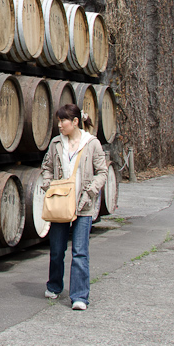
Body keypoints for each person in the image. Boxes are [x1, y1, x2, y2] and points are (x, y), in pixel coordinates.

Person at [39, 103, 107, 310]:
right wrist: (48, 184)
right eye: (59, 121)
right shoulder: (56, 143)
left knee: (80, 251)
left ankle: (79, 296)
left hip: (83, 204)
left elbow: (101, 172)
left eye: (63, 121)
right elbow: (46, 167)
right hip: (61, 203)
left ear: (75, 122)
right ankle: (54, 285)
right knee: (57, 250)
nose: (59, 125)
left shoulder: (92, 144)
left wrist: (91, 192)